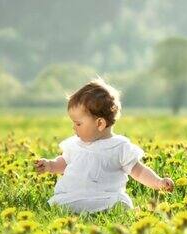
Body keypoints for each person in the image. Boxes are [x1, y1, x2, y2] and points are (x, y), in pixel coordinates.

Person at [34, 78, 174, 213]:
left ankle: (106, 210)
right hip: (73, 197)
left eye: (78, 123)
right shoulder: (75, 145)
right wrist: (50, 165)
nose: (74, 128)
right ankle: (73, 210)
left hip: (105, 198)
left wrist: (158, 182)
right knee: (57, 203)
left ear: (100, 123)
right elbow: (63, 162)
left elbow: (139, 172)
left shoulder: (119, 147)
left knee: (121, 202)